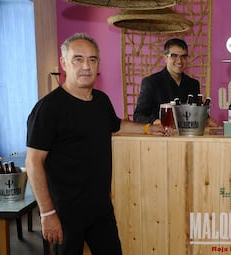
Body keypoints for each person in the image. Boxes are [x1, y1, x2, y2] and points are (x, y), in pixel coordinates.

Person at [25, 33, 166, 255]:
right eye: (78, 59)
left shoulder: (101, 100)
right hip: (65, 213)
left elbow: (116, 124)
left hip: (100, 209)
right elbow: (33, 162)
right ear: (64, 63)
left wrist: (148, 128)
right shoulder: (48, 108)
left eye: (92, 59)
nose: (86, 66)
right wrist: (47, 213)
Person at [133, 38, 218, 127]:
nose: (179, 61)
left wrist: (207, 119)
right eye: (174, 56)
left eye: (183, 56)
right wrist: (160, 122)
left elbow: (197, 112)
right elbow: (138, 116)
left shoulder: (193, 84)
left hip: (188, 136)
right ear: (165, 58)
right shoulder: (151, 82)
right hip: (161, 136)